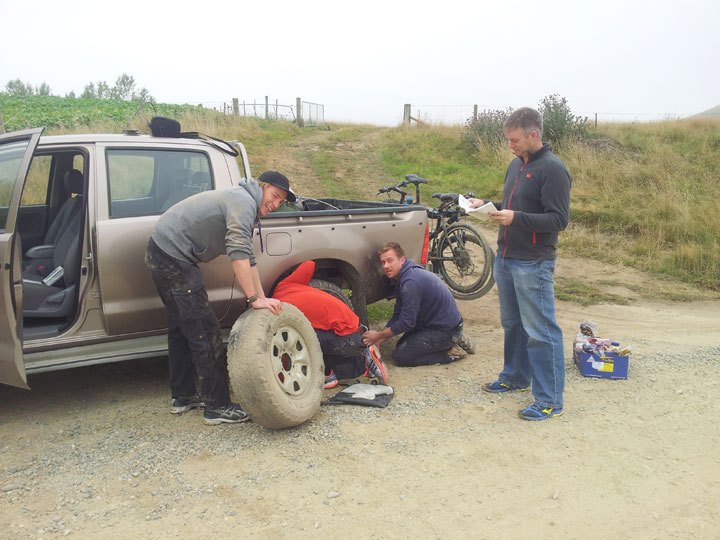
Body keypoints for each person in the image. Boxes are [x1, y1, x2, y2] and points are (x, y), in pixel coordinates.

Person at [145, 170, 294, 425]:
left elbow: (249, 257)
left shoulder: (244, 202)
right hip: (172, 257)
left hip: (163, 252)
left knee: (183, 328)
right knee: (205, 331)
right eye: (275, 196)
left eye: (281, 201)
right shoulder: (243, 202)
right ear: (263, 186)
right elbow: (237, 254)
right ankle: (217, 406)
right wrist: (253, 299)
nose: (276, 204)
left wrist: (262, 297)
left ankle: (183, 396)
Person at [468, 107, 571, 421]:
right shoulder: (516, 165)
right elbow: (513, 207)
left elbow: (558, 219)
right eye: (508, 140)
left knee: (540, 331)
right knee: (513, 325)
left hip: (533, 263)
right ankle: (515, 376)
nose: (510, 145)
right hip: (507, 257)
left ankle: (550, 399)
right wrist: (487, 206)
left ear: (533, 134)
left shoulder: (553, 169)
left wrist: (516, 218)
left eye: (514, 140)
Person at [273, 260, 388, 388]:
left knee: (304, 339)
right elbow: (309, 264)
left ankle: (364, 347)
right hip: (350, 324)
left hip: (346, 334)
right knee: (319, 355)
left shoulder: (280, 318)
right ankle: (361, 364)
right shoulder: (285, 286)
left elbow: (285, 356)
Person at [362, 242, 473, 366]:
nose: (386, 266)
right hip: (438, 324)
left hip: (445, 330)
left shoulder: (410, 282)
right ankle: (452, 340)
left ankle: (449, 352)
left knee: (401, 356)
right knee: (401, 345)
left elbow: (407, 322)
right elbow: (399, 314)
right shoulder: (406, 275)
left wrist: (378, 335)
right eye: (383, 262)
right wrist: (380, 339)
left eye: (390, 261)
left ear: (402, 260)